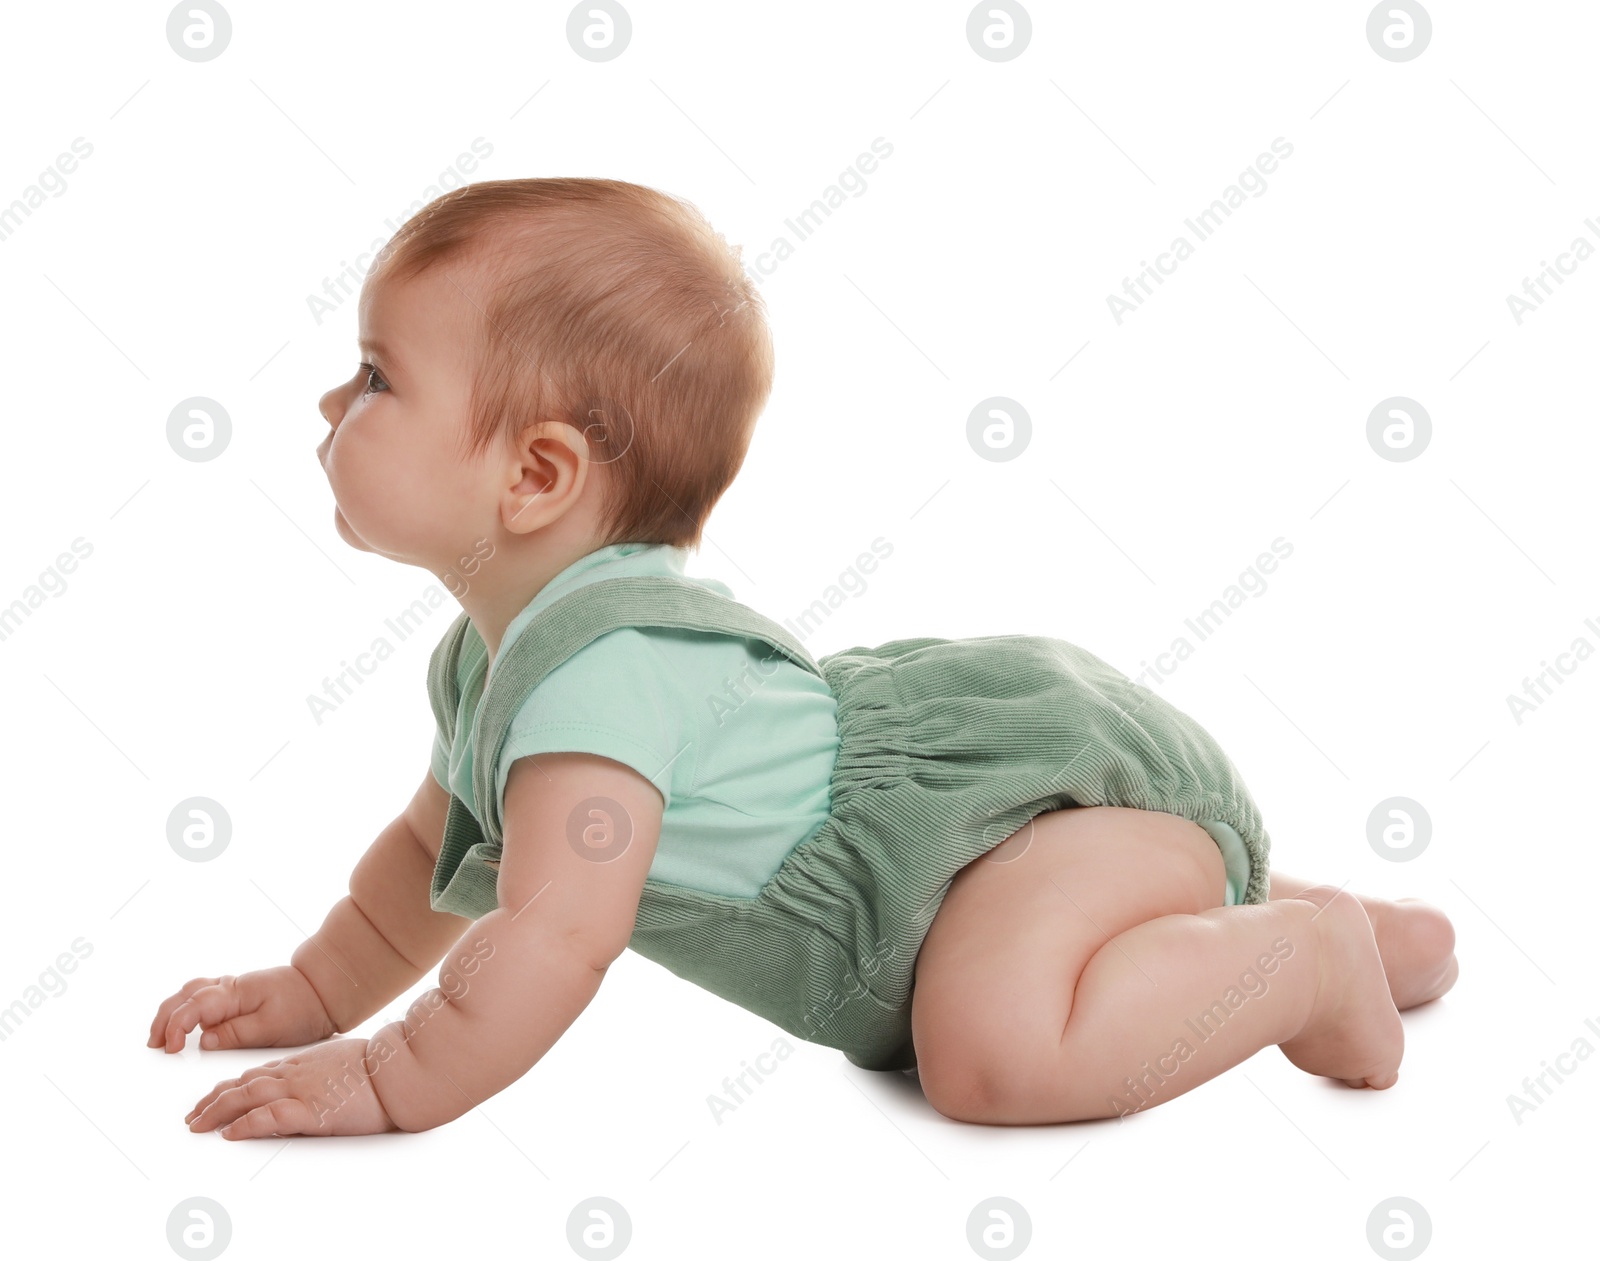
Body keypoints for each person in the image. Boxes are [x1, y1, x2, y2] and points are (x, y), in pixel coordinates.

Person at [150, 178, 1458, 1137]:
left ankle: (1312, 958)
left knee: (992, 1053)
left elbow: (552, 929)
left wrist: (391, 1076)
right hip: (986, 865)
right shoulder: (489, 663)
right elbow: (434, 864)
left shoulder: (606, 683)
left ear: (536, 473)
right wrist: (318, 985)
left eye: (376, 377)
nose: (331, 405)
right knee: (1119, 910)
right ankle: (1385, 936)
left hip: (1020, 826)